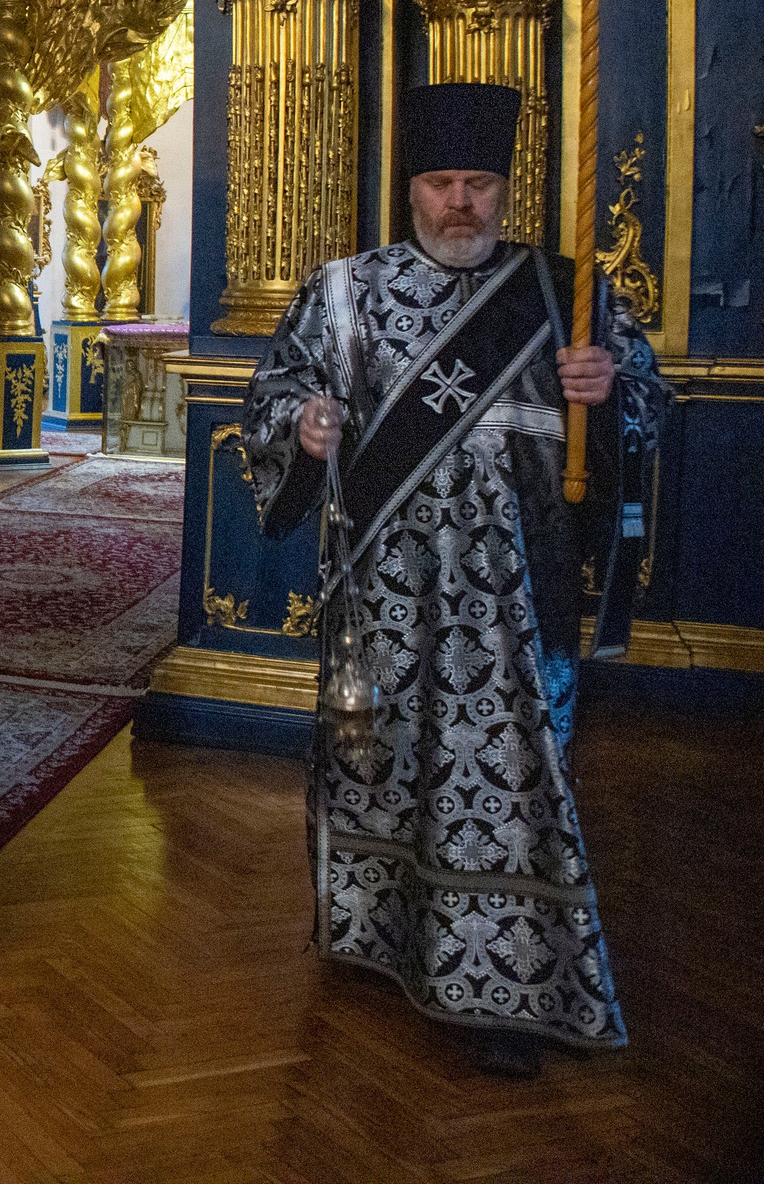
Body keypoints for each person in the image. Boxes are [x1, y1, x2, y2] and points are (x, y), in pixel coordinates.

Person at [242, 81, 664, 1079]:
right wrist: (304, 427)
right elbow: (275, 396)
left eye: (479, 182)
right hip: (383, 596)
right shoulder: (343, 292)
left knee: (508, 783)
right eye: (441, 183)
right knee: (378, 765)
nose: (461, 202)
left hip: (516, 603)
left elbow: (647, 406)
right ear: (412, 190)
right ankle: (374, 934)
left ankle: (503, 986)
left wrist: (611, 392)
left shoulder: (562, 294)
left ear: (505, 189)